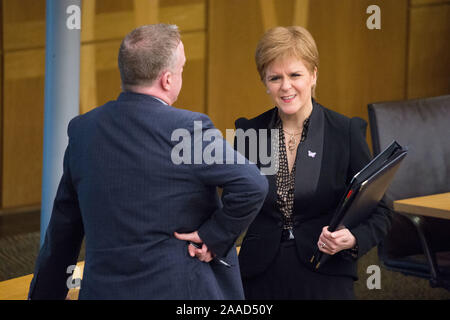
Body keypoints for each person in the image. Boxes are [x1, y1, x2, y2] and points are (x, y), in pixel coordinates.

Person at [28, 24, 268, 300]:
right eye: (182, 70)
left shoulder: (84, 130)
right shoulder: (187, 130)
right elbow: (252, 185)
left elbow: (63, 232)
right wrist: (213, 235)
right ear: (167, 79)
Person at [234, 26, 391, 299]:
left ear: (313, 75)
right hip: (259, 271)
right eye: (275, 77)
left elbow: (382, 211)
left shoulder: (345, 132)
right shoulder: (250, 133)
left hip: (325, 268)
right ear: (264, 82)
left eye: (295, 75)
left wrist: (353, 238)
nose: (286, 86)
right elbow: (232, 204)